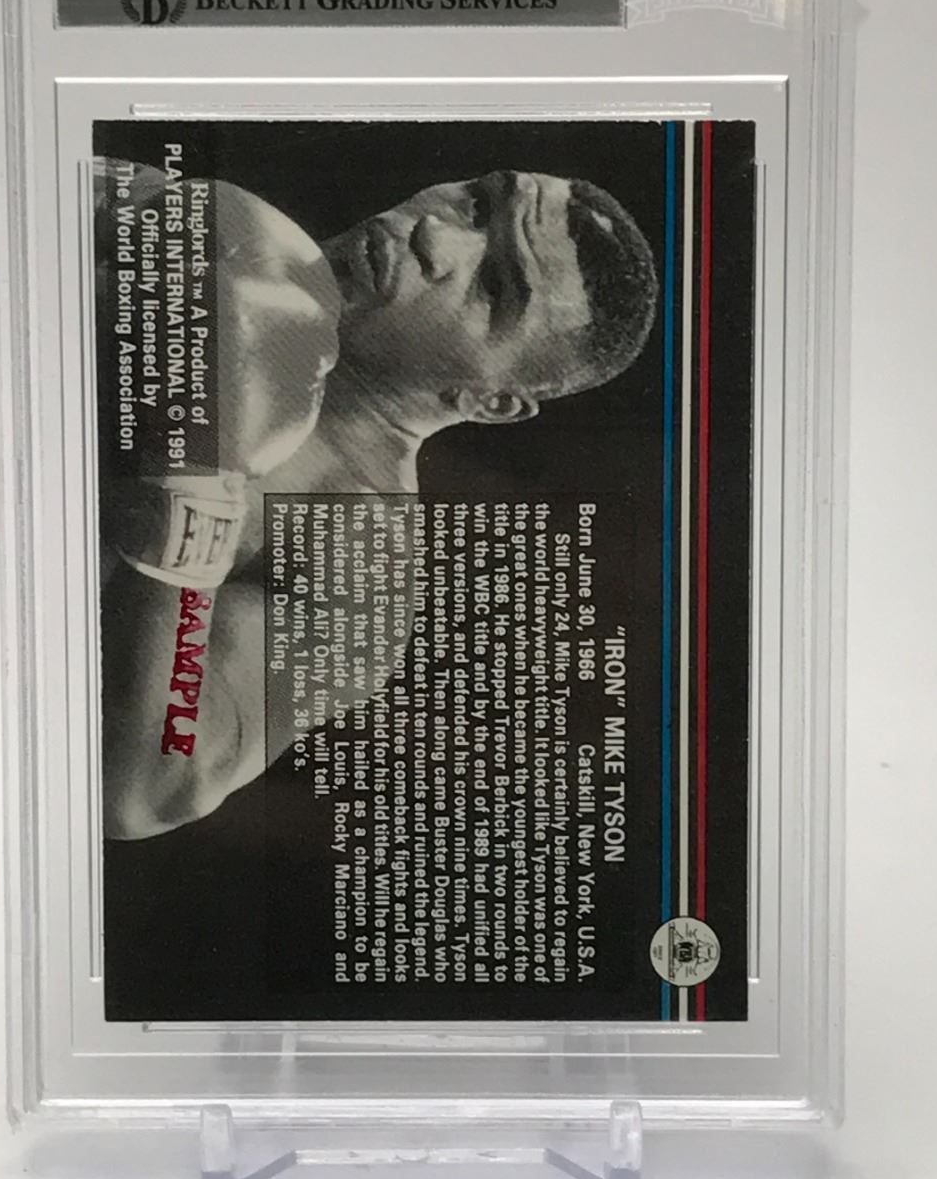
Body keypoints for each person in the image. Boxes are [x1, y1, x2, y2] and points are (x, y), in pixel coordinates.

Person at [102, 166, 658, 839]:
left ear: (490, 401)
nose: (434, 236)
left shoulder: (357, 575)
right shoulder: (230, 230)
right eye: (477, 203)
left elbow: (143, 790)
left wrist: (196, 481)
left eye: (493, 285)